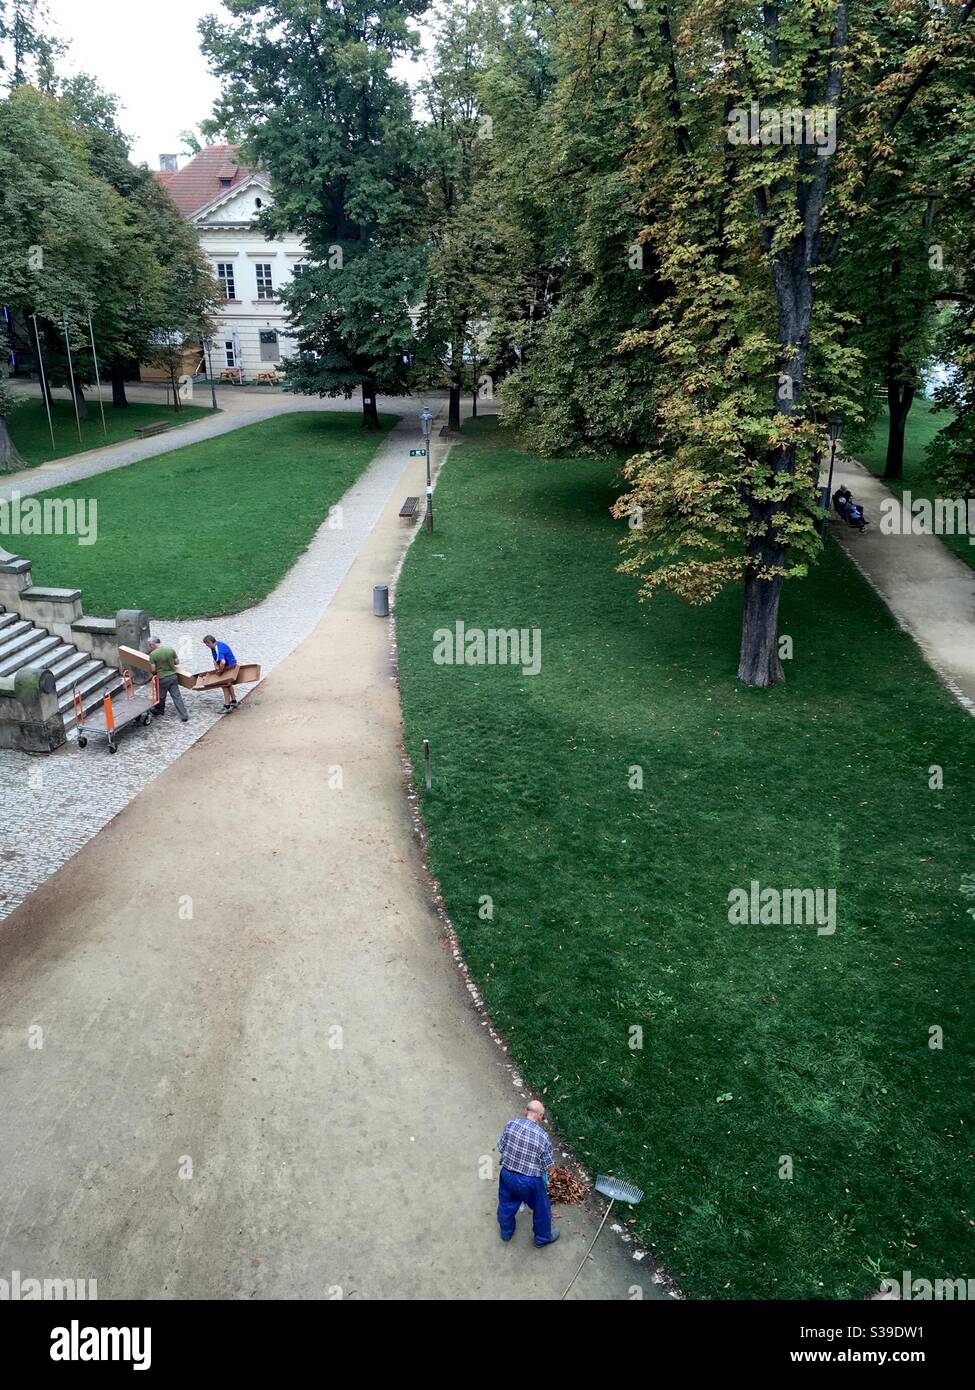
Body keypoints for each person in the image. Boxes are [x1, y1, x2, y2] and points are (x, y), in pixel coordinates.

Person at [496, 1100, 560, 1247]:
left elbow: (501, 1147)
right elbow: (548, 1166)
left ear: (526, 1112)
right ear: (540, 1116)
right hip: (529, 1182)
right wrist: (553, 1175)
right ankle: (542, 1238)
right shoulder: (542, 1137)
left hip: (506, 1174)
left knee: (506, 1204)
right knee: (542, 1208)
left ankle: (506, 1232)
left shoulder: (511, 1124)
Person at [147, 637, 189, 722]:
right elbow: (177, 662)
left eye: (150, 646)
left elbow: (153, 669)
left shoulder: (153, 654)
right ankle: (184, 715)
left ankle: (160, 710)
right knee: (177, 696)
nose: (150, 647)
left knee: (161, 696)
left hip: (162, 678)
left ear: (152, 645)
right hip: (173, 677)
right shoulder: (170, 649)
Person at [203, 634, 239, 710]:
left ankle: (227, 706)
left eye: (207, 645)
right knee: (228, 685)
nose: (207, 646)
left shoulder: (219, 648)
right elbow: (214, 658)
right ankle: (234, 701)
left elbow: (223, 662)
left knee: (224, 685)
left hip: (230, 668)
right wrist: (216, 665)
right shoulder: (215, 646)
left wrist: (219, 671)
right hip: (228, 666)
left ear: (210, 643)